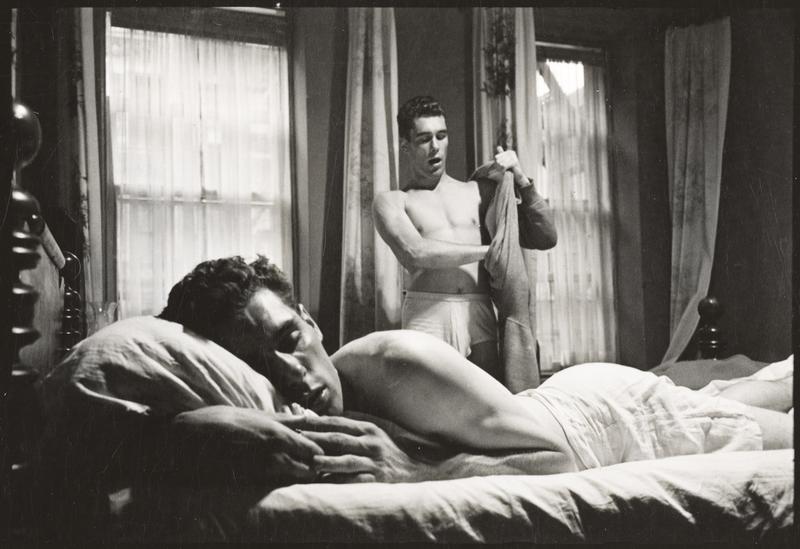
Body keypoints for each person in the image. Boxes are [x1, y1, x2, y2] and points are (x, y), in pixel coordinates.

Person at [157, 255, 793, 479]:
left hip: (600, 421)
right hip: (551, 408)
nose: (292, 373)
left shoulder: (393, 361)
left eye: (290, 337)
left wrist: (414, 473)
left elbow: (556, 459)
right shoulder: (274, 408)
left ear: (312, 323)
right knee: (742, 391)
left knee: (778, 423)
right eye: (259, 365)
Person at [372, 96, 557, 380]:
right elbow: (415, 253)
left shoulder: (478, 192)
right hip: (427, 314)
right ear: (405, 145)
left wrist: (520, 178)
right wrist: (490, 251)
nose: (435, 146)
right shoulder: (393, 201)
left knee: (487, 402)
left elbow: (546, 237)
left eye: (441, 136)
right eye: (424, 139)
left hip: (476, 311)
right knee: (429, 405)